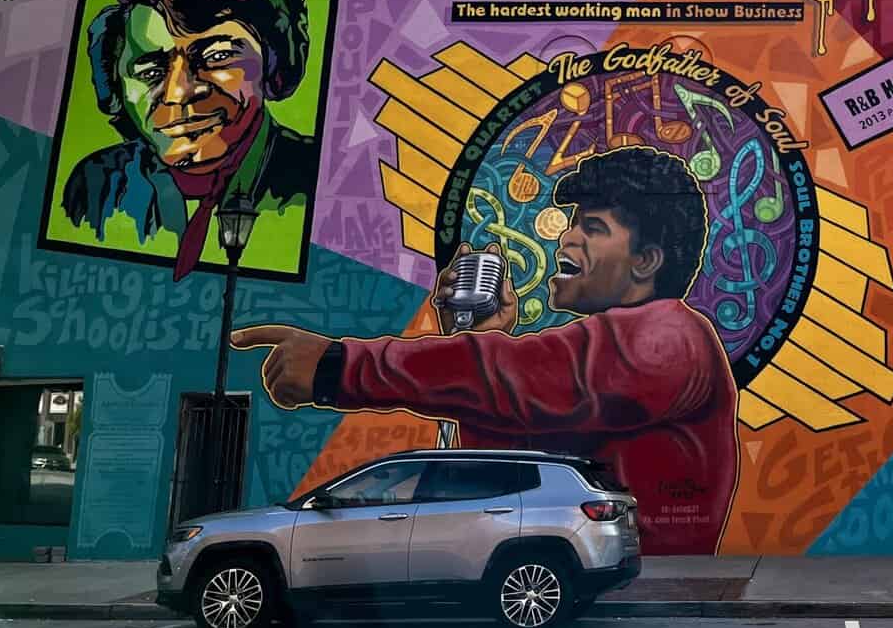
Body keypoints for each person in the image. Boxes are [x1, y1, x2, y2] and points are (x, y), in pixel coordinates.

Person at [233, 147, 741, 555]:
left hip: (630, 577)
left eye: (594, 228)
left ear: (645, 261)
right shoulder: (617, 361)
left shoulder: (669, 335)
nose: (566, 237)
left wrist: (338, 367)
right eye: (574, 221)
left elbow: (514, 377)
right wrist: (474, 341)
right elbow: (506, 450)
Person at [61, 0, 317, 278]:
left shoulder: (310, 184)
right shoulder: (98, 182)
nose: (178, 93)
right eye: (150, 72)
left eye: (218, 56)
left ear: (274, 61)